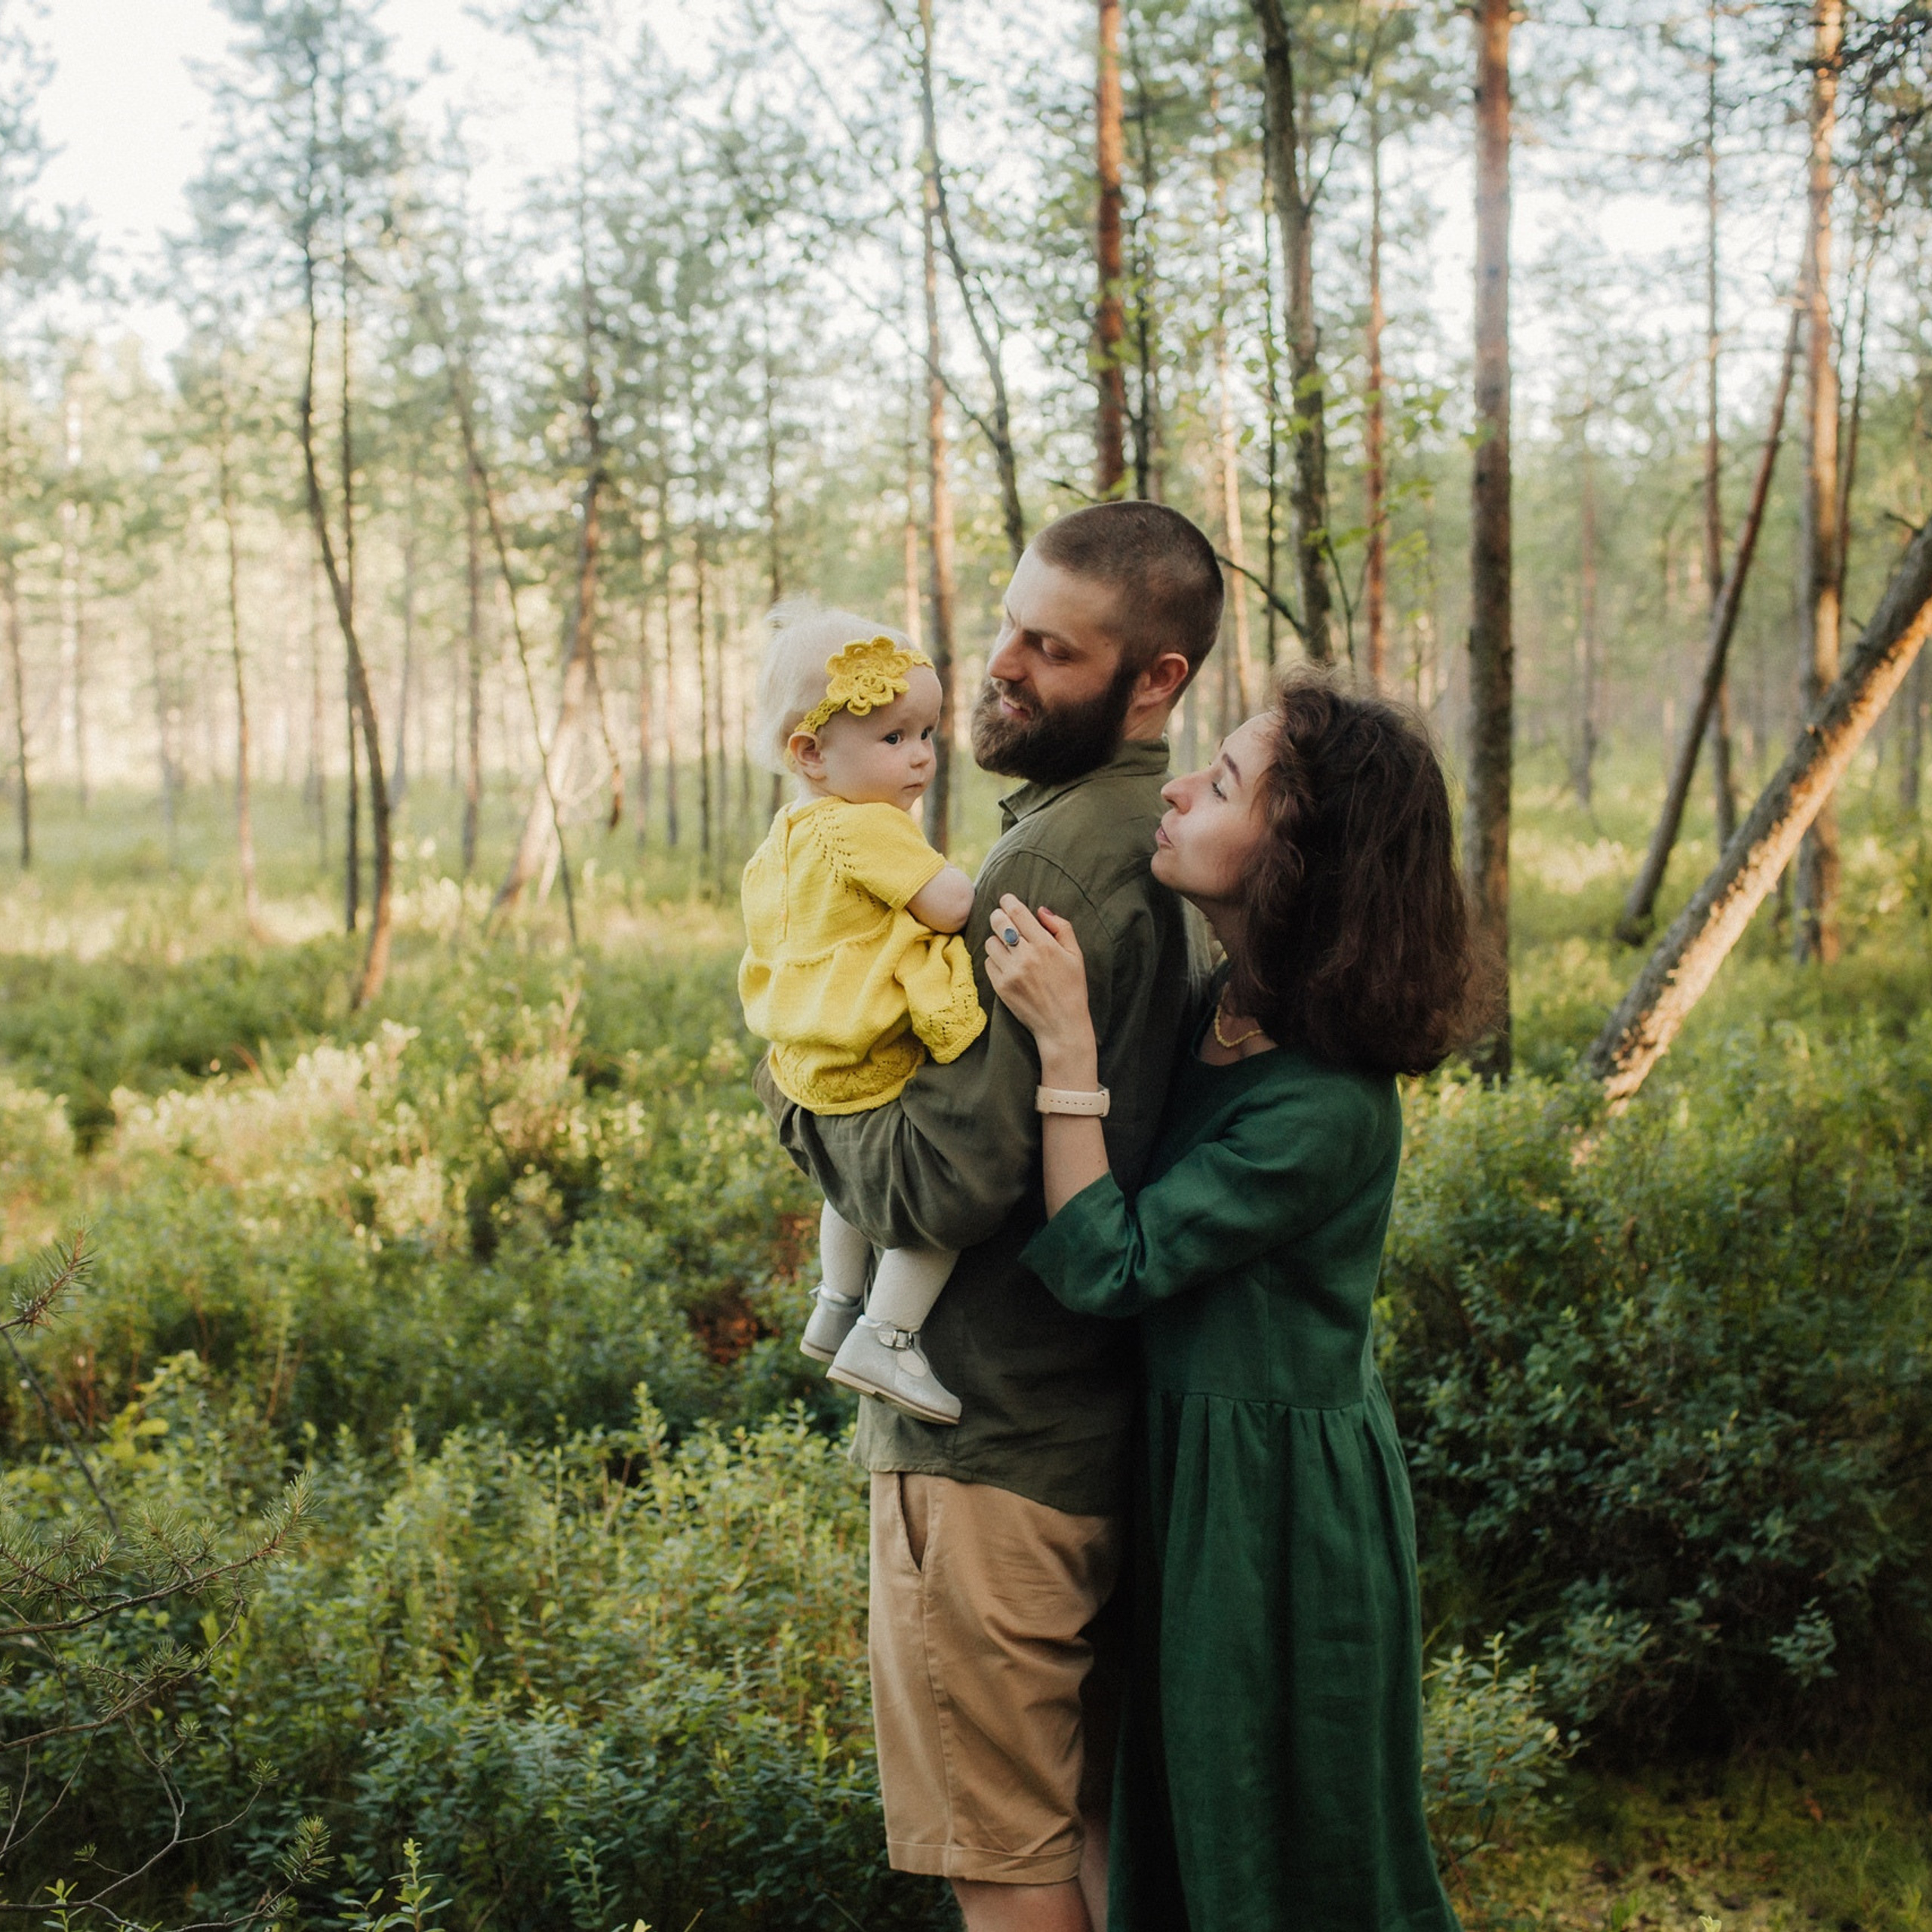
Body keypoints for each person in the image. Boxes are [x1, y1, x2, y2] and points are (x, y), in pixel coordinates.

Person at [758, 502, 1222, 1932]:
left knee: (1004, 1863)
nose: (1004, 665)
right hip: (1085, 1427)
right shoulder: (1168, 837)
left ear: (1156, 681)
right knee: (1085, 1835)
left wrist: (796, 1090)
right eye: (1009, 624)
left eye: (1052, 648)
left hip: (988, 1446)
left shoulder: (1051, 868)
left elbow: (951, 1181)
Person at [984, 675, 1471, 1932]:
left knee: (1281, 1827)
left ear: (1301, 857)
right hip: (1185, 1474)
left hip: (1282, 1517)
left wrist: (1068, 1050)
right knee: (1169, 1808)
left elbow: (1112, 1265)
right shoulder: (1221, 1013)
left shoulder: (1328, 1103)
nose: (1186, 783)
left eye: (1232, 780)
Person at [739, 607, 986, 1423]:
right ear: (810, 753)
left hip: (811, 1068)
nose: (919, 757)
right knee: (935, 1199)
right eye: (892, 738)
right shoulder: (866, 827)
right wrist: (992, 886)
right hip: (875, 1063)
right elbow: (950, 905)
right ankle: (887, 1334)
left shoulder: (786, 835)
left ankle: (836, 1301)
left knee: (847, 1190)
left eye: (926, 733)